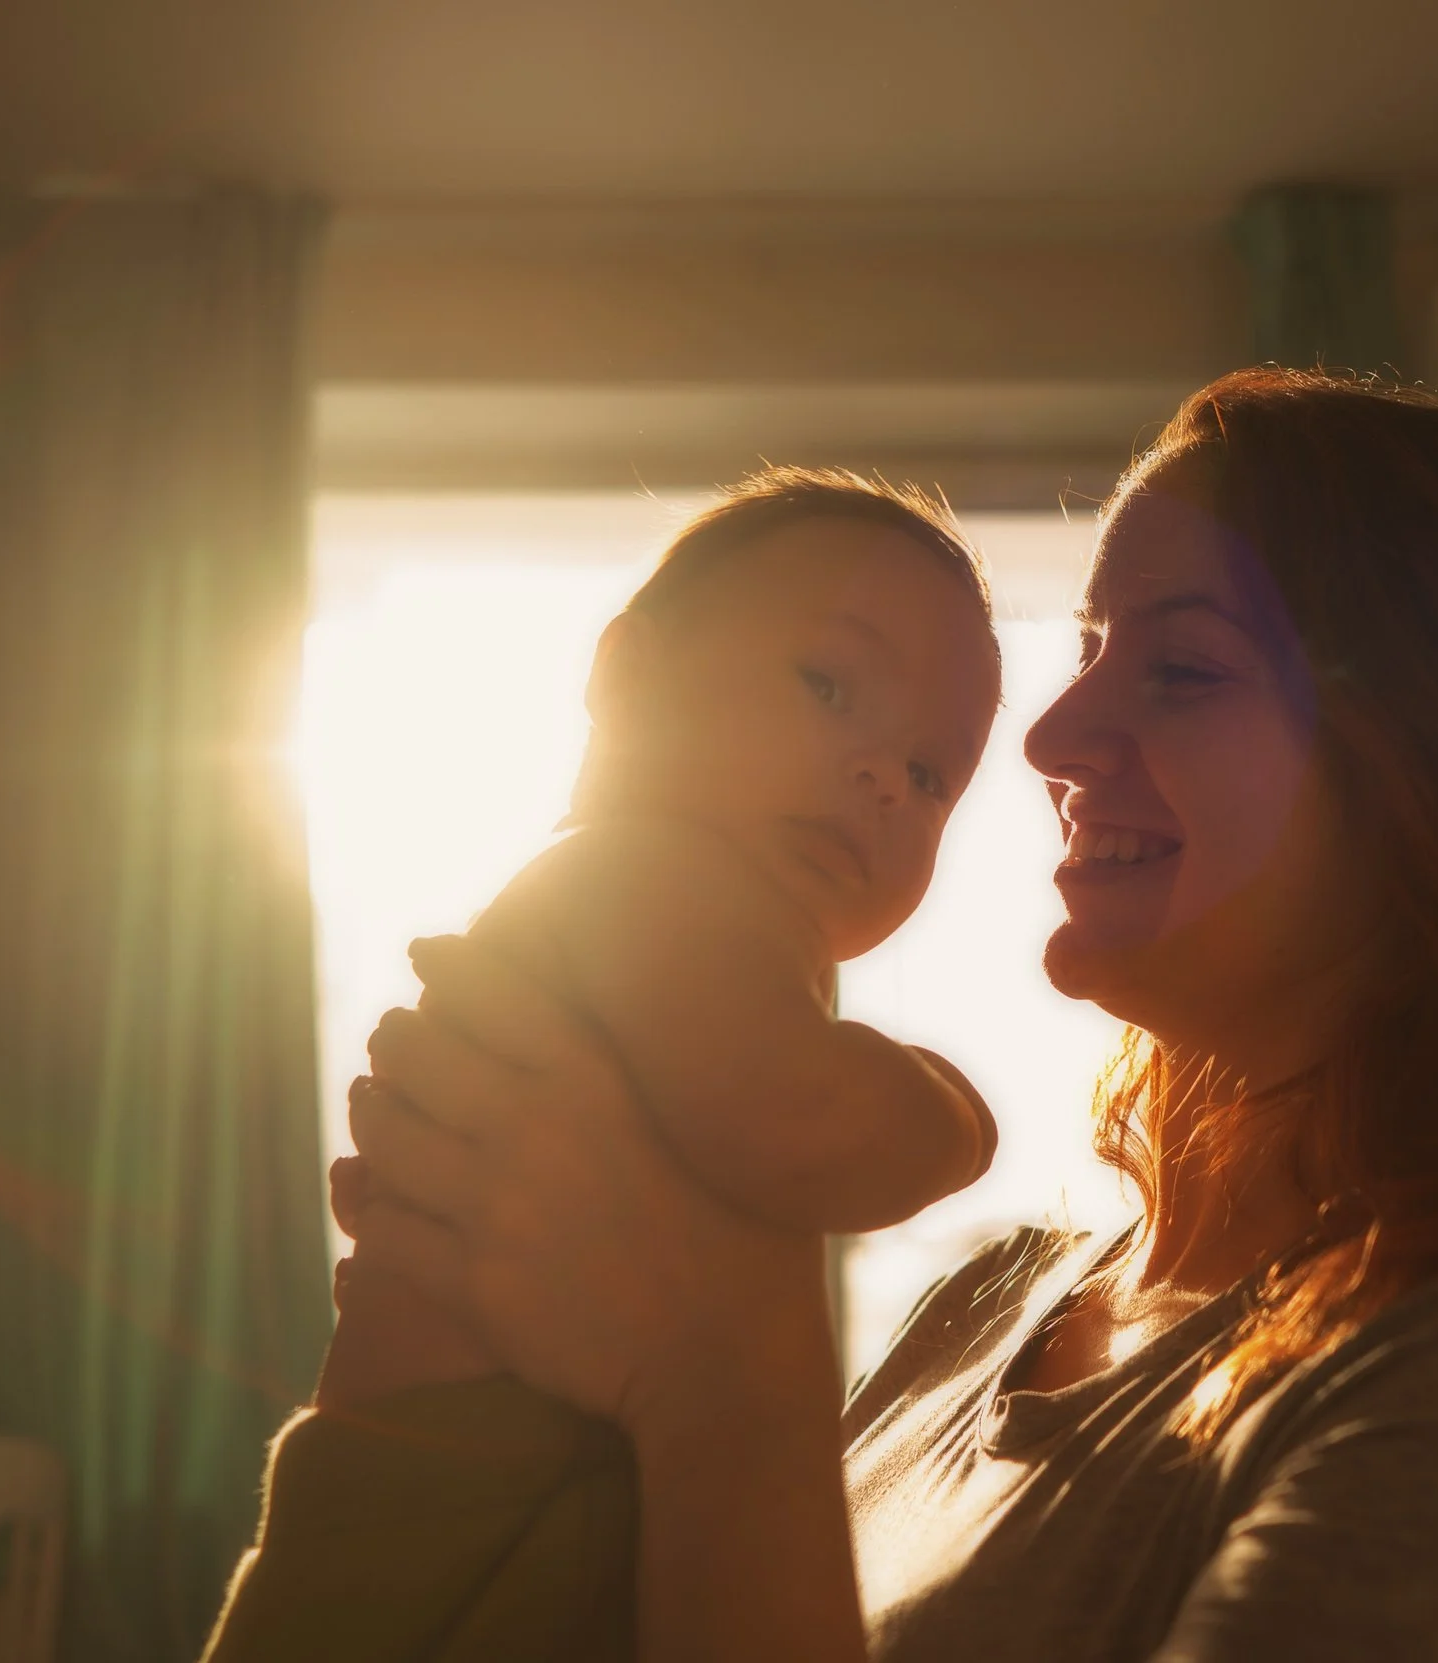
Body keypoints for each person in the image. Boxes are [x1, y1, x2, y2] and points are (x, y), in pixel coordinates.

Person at [227, 370, 1438, 1662]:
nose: (1052, 747)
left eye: (1183, 664)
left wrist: (716, 1366)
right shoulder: (988, 1312)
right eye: (1084, 654)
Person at [203, 468, 1004, 1661]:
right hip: (446, 1537)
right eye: (827, 685)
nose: (884, 777)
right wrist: (955, 1117)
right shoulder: (646, 873)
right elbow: (801, 1121)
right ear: (626, 678)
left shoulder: (689, 919)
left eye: (932, 773)